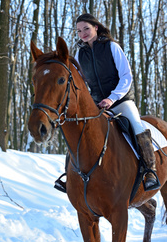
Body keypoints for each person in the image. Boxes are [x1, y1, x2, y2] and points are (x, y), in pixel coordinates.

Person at [54, 13, 160, 193]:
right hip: (97, 105)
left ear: (96, 27)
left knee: (136, 126)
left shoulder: (111, 46)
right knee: (77, 133)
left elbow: (126, 76)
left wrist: (112, 98)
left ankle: (150, 171)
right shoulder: (81, 53)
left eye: (86, 28)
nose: (83, 33)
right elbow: (79, 82)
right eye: (79, 31)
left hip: (121, 101)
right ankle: (69, 176)